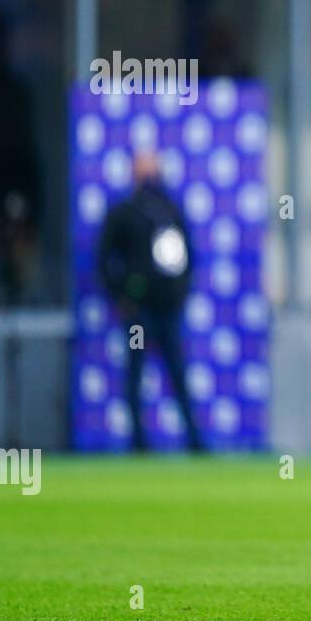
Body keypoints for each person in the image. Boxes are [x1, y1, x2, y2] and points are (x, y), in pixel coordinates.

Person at [98, 150, 203, 452]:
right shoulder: (123, 212)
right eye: (144, 172)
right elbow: (103, 259)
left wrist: (180, 293)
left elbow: (188, 256)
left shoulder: (169, 210)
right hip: (138, 311)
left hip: (168, 308)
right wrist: (122, 296)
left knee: (178, 373)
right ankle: (138, 443)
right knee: (135, 374)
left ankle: (194, 440)